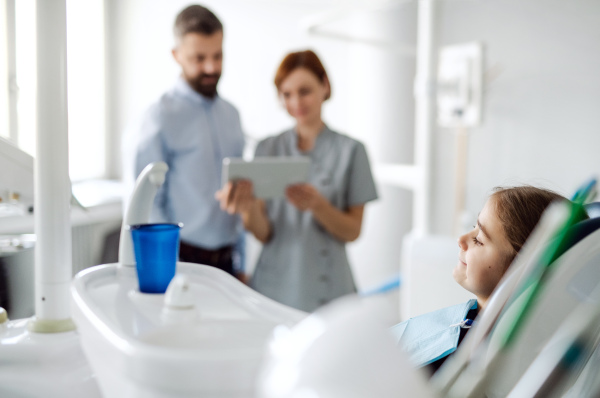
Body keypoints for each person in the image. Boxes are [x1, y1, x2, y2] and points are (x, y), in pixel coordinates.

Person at [216, 50, 378, 312]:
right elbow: (262, 233)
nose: (296, 102)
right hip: (272, 287)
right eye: (286, 94)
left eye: (305, 91)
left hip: (329, 290)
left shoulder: (352, 151)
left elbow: (353, 231)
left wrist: (319, 207)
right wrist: (247, 207)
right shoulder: (266, 149)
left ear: (324, 86)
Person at [390, 185, 580, 375]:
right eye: (474, 227)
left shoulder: (466, 363)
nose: (461, 239)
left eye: (479, 240)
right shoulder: (474, 321)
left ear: (520, 269)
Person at [123, 5, 245, 277]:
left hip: (228, 261)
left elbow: (239, 194)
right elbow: (146, 200)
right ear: (177, 55)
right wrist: (165, 263)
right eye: (199, 58)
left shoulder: (232, 115)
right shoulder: (158, 117)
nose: (211, 67)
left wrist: (243, 262)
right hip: (181, 260)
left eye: (218, 55)